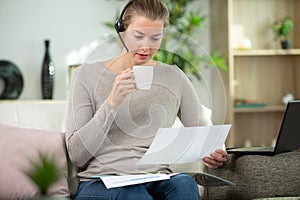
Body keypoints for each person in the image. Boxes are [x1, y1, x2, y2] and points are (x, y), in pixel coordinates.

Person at [65, 0, 227, 199]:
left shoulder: (173, 77)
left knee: (184, 184)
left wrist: (213, 151)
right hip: (102, 181)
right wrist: (112, 103)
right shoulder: (86, 75)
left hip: (157, 177)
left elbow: (205, 132)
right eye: (138, 36)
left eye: (155, 38)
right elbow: (76, 154)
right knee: (135, 194)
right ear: (122, 30)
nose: (146, 47)